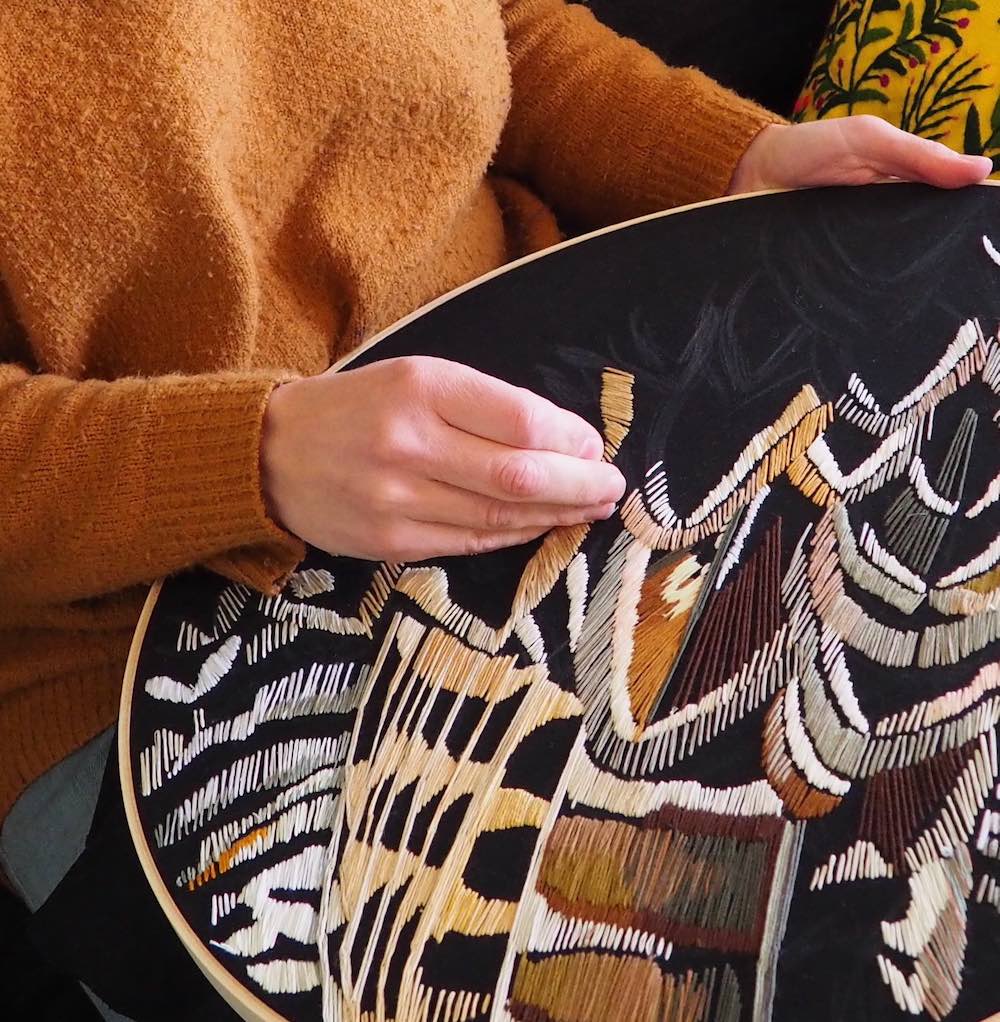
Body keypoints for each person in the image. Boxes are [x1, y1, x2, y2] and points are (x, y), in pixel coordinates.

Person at [0, 2, 991, 1018]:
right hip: (133, 657)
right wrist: (253, 453)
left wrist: (738, 160)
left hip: (574, 422)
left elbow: (510, 35)